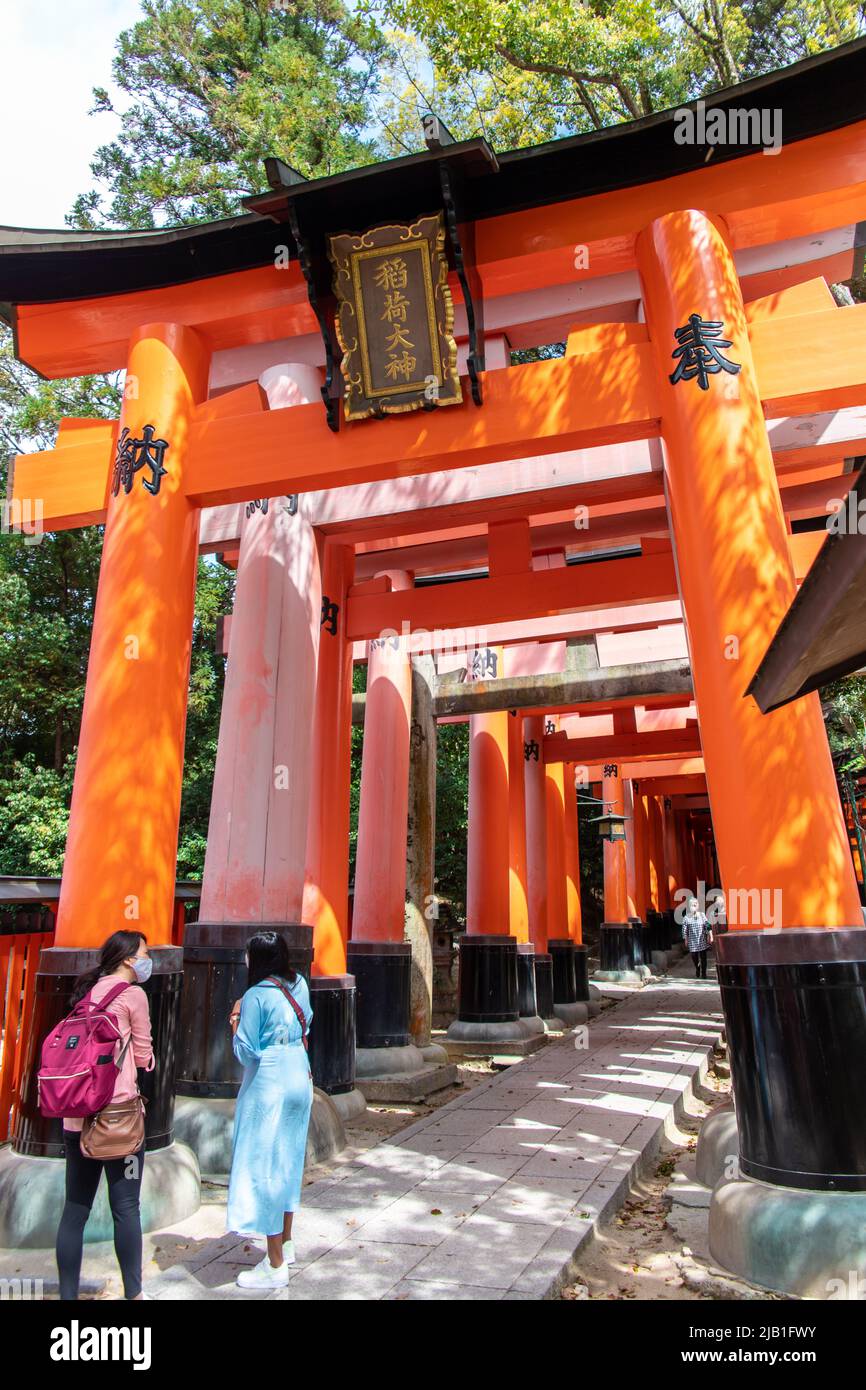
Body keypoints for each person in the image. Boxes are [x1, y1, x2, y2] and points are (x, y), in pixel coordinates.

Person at [56, 930, 154, 1301]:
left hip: (76, 1117)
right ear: (129, 958)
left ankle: (68, 1296)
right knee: (126, 1207)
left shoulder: (87, 990)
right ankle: (134, 1294)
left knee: (75, 1209)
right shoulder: (133, 996)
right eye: (145, 953)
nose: (148, 960)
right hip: (119, 1120)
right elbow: (143, 1055)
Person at [227, 930, 313, 1290]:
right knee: (289, 1160)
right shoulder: (300, 985)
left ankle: (275, 1261)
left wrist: (234, 1024)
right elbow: (307, 1020)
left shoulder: (254, 996)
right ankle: (287, 1243)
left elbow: (246, 1050)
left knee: (263, 1164)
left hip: (270, 1078)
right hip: (300, 1070)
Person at [682, 896, 712, 979]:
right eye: (692, 905)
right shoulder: (686, 918)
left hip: (701, 939)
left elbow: (708, 925)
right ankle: (697, 967)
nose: (694, 906)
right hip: (692, 940)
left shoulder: (702, 915)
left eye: (695, 904)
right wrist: (685, 939)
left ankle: (704, 973)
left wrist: (710, 935)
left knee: (703, 957)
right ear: (689, 906)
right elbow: (684, 929)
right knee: (694, 956)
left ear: (698, 906)